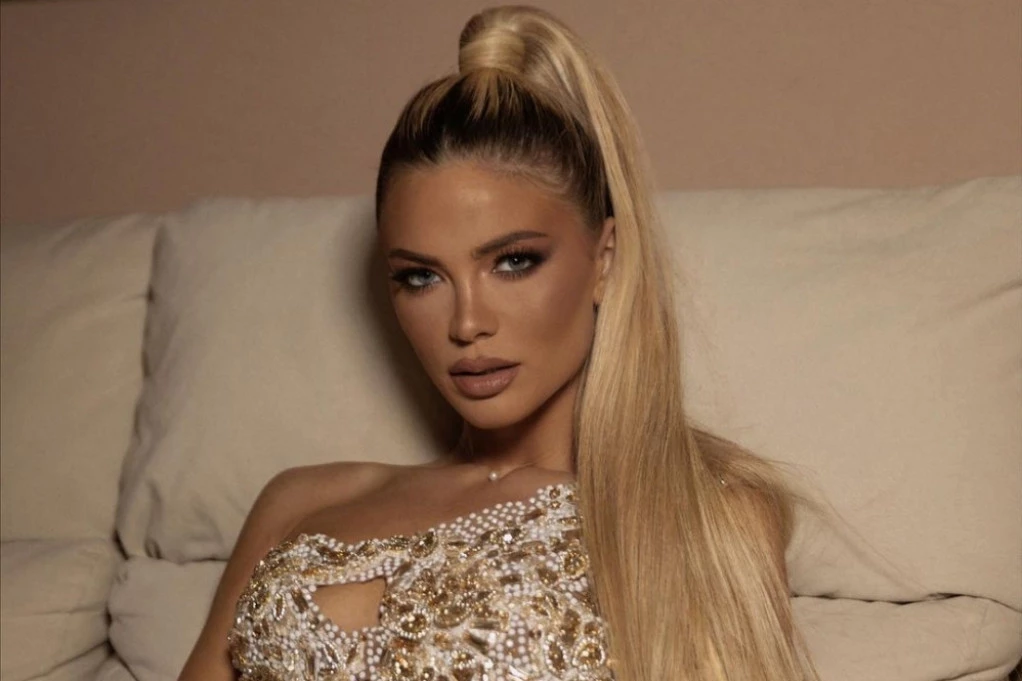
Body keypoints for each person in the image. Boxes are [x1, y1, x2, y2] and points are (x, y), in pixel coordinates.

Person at [180, 6, 818, 680]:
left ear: (604, 260)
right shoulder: (298, 501)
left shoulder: (704, 513)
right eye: (421, 277)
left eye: (513, 262)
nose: (466, 323)